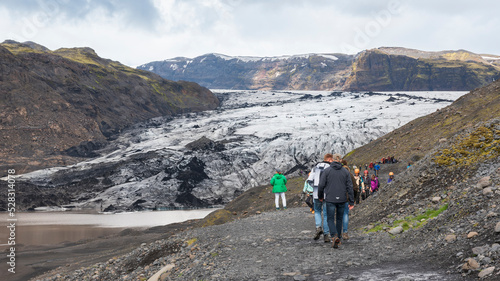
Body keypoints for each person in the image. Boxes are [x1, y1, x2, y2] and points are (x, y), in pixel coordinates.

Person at [318, 153, 354, 249]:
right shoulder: (345, 172)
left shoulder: (326, 171)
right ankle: (339, 237)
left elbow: (321, 185)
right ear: (341, 160)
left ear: (332, 160)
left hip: (330, 198)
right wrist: (351, 201)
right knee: (339, 218)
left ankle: (334, 236)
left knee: (330, 218)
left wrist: (320, 196)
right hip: (342, 199)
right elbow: (350, 187)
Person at [307, 154, 333, 242]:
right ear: (329, 160)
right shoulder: (330, 168)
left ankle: (318, 227)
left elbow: (309, 180)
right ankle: (326, 235)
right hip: (327, 194)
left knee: (317, 211)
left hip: (316, 194)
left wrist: (315, 188)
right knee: (326, 214)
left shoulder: (315, 168)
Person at [341, 160, 357, 240]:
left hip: (336, 197)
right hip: (346, 198)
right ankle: (345, 232)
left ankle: (336, 233)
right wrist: (353, 199)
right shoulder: (349, 174)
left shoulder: (337, 173)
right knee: (345, 214)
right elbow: (355, 187)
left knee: (337, 215)